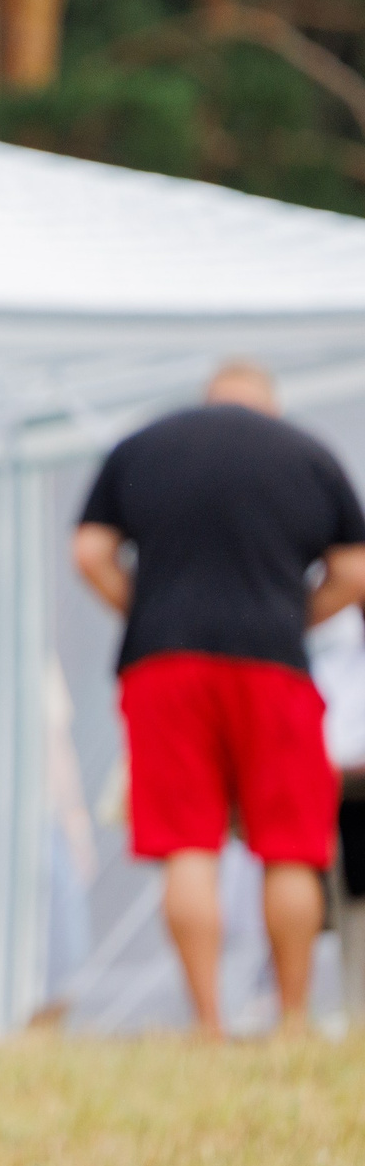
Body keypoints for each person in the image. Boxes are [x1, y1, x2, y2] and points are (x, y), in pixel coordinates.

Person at [72, 359, 365, 1035]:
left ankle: (209, 1024)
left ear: (208, 399)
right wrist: (297, 616)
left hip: (165, 667)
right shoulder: (308, 455)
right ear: (269, 403)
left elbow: (90, 552)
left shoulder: (144, 446)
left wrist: (144, 612)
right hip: (275, 666)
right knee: (291, 846)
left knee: (187, 845)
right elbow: (352, 571)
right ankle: (292, 1020)